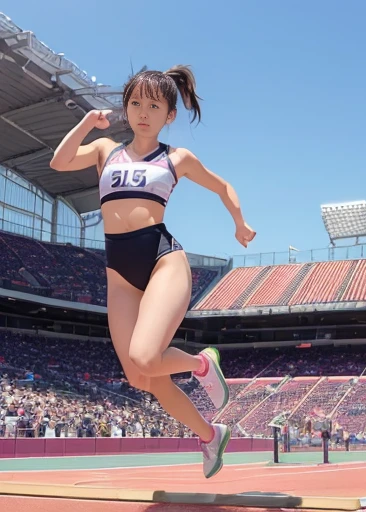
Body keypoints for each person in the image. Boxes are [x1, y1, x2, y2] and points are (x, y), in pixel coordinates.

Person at [50, 65, 256, 478]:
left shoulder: (176, 158)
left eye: (154, 105)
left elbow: (223, 186)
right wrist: (88, 122)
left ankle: (200, 364)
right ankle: (209, 435)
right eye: (136, 103)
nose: (144, 112)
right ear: (126, 109)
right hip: (120, 274)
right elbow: (59, 162)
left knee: (147, 356)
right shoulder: (105, 148)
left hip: (163, 260)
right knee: (141, 376)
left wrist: (239, 222)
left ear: (169, 115)